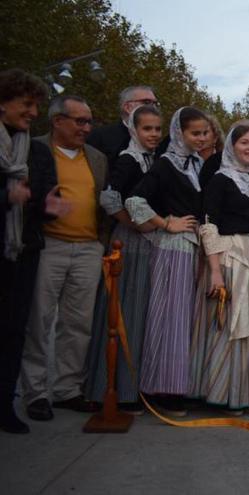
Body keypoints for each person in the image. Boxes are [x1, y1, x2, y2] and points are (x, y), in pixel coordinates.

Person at [21, 95, 108, 421]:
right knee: (39, 321)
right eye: (79, 121)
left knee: (78, 324)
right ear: (57, 121)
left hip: (88, 247)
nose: (86, 128)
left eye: (89, 121)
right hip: (49, 246)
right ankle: (36, 393)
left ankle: (67, 389)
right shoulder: (35, 150)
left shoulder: (97, 157)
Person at [124, 106, 210, 416]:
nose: (200, 138)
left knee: (186, 318)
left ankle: (178, 385)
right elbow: (134, 200)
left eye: (204, 133)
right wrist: (166, 223)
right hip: (173, 248)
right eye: (194, 133)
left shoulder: (198, 165)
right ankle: (161, 389)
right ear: (180, 133)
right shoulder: (165, 164)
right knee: (169, 318)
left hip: (195, 248)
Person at [192, 124, 249, 414]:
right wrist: (215, 271)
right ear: (232, 146)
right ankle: (225, 393)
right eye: (245, 142)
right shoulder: (220, 180)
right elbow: (209, 225)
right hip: (231, 256)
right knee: (232, 323)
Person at [0, 69, 68, 433]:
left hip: (23, 251)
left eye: (35, 105)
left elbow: (40, 197)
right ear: (3, 102)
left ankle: (5, 406)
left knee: (14, 330)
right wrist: (5, 197)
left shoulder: (37, 151)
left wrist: (47, 208)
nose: (32, 112)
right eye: (26, 104)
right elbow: (14, 195)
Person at [84, 105, 163, 414]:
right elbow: (109, 197)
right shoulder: (128, 159)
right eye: (147, 129)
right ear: (134, 130)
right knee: (123, 310)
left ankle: (133, 387)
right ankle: (115, 388)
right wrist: (131, 222)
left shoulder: (150, 159)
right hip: (129, 242)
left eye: (158, 129)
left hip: (146, 240)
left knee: (139, 311)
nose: (154, 134)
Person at [87, 85, 158, 171]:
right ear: (128, 107)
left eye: (155, 104)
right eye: (146, 102)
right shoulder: (99, 137)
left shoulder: (157, 139)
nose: (153, 107)